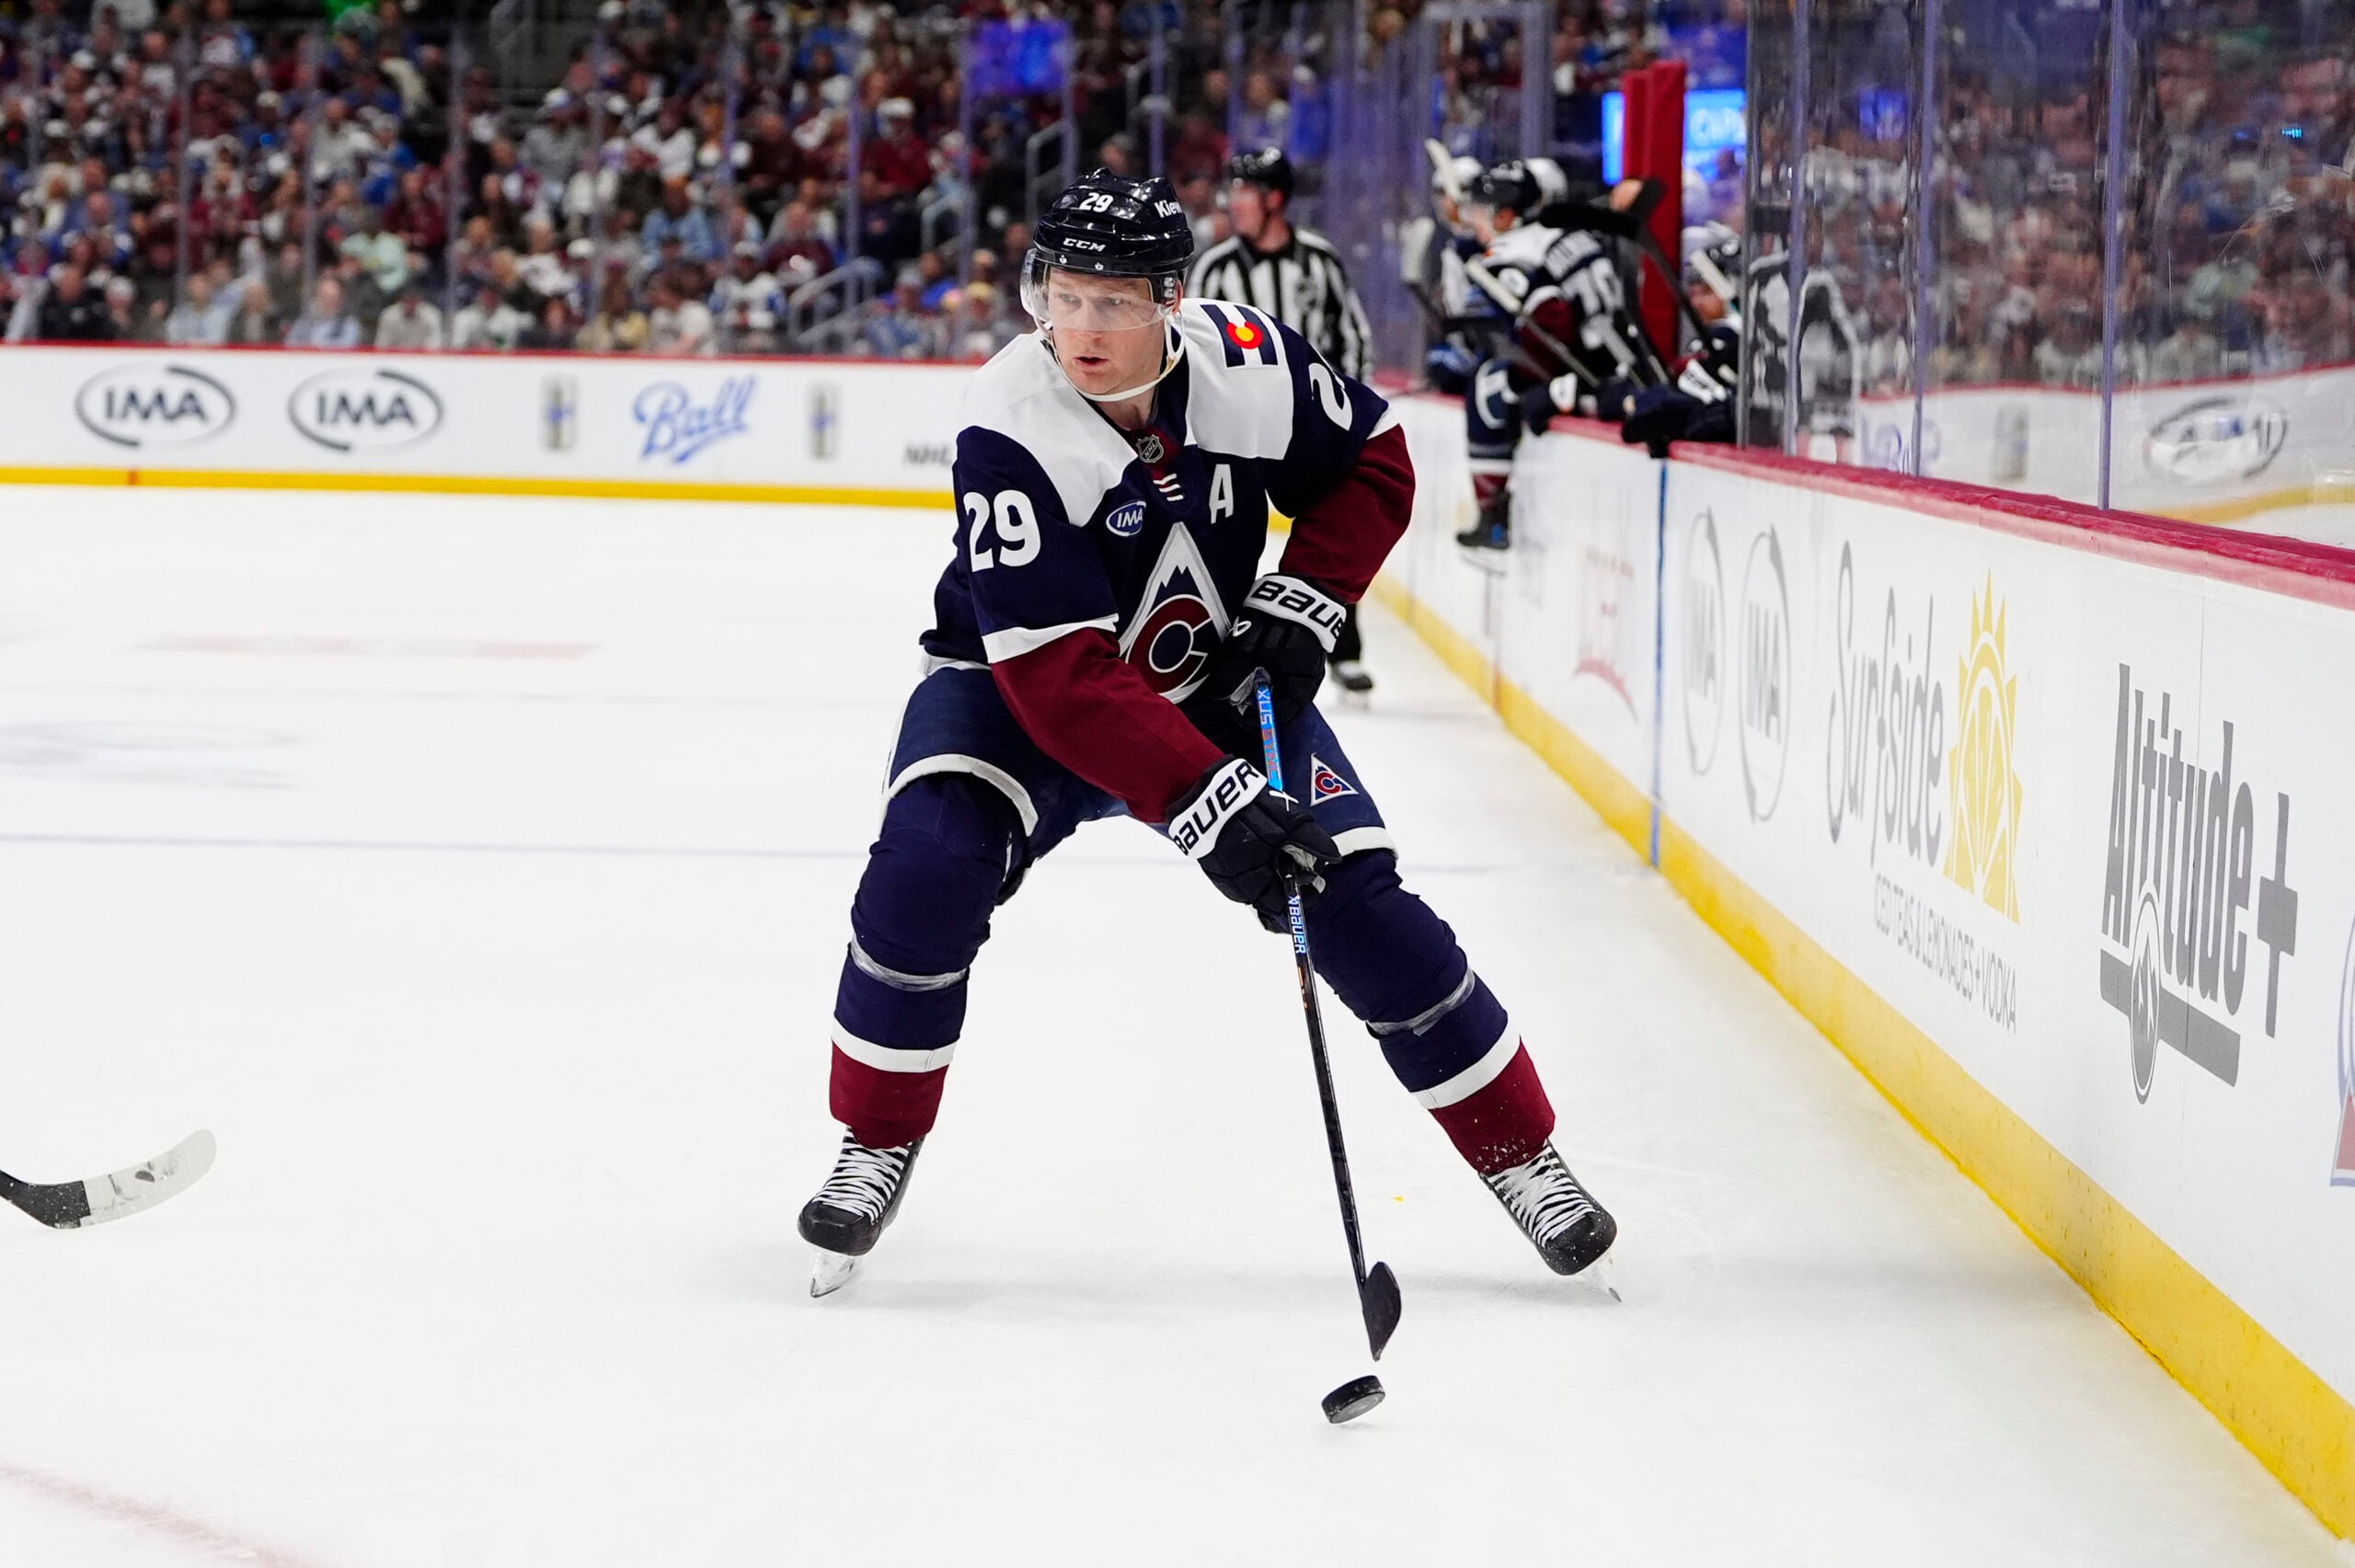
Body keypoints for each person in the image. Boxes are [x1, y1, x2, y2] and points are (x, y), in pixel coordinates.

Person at [794, 169, 1617, 1293]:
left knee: (1354, 899)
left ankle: (1526, 1156)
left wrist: (1305, 597)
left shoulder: (1252, 365)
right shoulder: (1008, 419)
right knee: (925, 865)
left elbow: (1372, 461)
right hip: (1018, 687)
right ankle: (877, 1134)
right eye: (1062, 295)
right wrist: (1213, 804)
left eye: (1115, 302)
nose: (1080, 328)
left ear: (1172, 298)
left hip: (1211, 681)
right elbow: (1060, 676)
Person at [1188, 148, 1380, 693]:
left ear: (1275, 200)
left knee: (1332, 529)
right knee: (1227, 530)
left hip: (1313, 424)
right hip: (1238, 429)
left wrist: (1350, 418)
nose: (1234, 204)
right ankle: (1222, 640)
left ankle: (1341, 648)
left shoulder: (1320, 261)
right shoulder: (1217, 268)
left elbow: (1354, 336)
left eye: (1246, 193)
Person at [1453, 158, 1671, 551]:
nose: (1475, 221)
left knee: (1488, 386)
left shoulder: (1509, 250)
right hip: (1620, 361)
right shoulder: (1571, 234)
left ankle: (1492, 515)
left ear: (1505, 215)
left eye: (1483, 212)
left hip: (1585, 372)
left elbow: (1551, 320)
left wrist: (1536, 371)